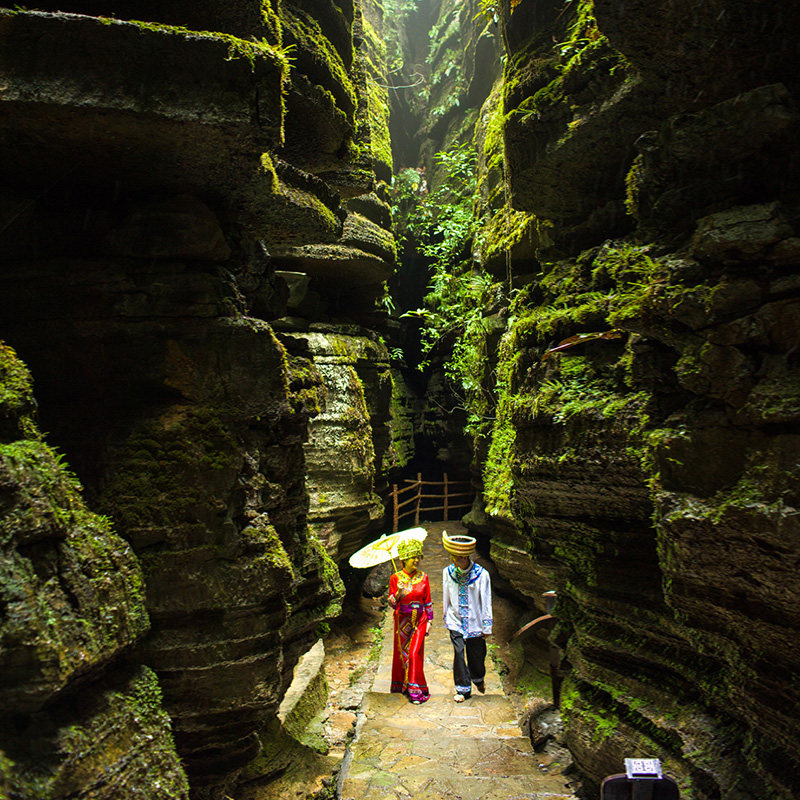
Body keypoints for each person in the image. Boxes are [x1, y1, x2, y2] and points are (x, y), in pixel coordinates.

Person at [442, 532, 492, 702]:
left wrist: (487, 626)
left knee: (476, 654)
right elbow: (446, 595)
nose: (455, 562)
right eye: (453, 558)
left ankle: (478, 678)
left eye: (458, 559)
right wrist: (446, 617)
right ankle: (462, 689)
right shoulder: (448, 572)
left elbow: (486, 601)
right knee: (458, 652)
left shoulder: (481, 575)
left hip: (475, 622)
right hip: (455, 620)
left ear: (466, 557)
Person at [388, 538, 432, 704]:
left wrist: (429, 622)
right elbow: (393, 603)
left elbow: (427, 601)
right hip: (402, 620)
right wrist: (399, 592)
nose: (416, 560)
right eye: (413, 557)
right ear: (404, 560)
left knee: (414, 653)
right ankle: (402, 685)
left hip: (420, 620)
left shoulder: (424, 577)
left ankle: (416, 690)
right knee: (402, 654)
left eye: (418, 557)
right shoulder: (395, 578)